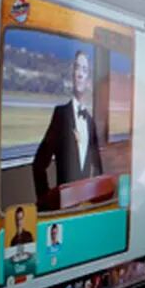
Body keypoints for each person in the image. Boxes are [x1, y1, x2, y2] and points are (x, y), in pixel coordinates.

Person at [33, 50, 103, 201]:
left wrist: (95, 202)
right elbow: (38, 164)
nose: (80, 74)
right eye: (77, 68)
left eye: (84, 70)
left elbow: (98, 170)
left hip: (86, 207)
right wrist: (46, 201)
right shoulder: (61, 115)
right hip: (65, 207)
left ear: (89, 80)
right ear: (72, 74)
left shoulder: (91, 123)